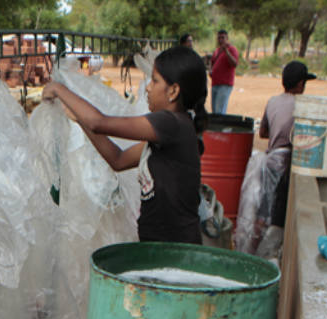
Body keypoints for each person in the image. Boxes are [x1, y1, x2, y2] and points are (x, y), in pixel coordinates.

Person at [42, 46, 208, 244]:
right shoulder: (169, 134)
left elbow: (99, 122)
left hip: (175, 250)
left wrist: (59, 89)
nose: (147, 87)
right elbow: (118, 160)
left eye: (155, 81)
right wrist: (80, 121)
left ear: (173, 91)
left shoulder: (170, 124)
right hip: (160, 245)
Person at [259, 60, 316, 228]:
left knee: (265, 208)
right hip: (285, 162)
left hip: (270, 159)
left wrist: (277, 132)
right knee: (278, 212)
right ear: (300, 84)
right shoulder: (301, 105)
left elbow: (263, 132)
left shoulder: (272, 101)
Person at [209, 30, 238, 114]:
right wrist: (211, 70)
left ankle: (220, 126)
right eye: (219, 38)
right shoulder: (217, 51)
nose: (221, 40)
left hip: (225, 84)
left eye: (223, 38)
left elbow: (234, 64)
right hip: (215, 83)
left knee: (219, 110)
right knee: (214, 110)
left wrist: (227, 52)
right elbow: (212, 62)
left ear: (227, 38)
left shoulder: (232, 49)